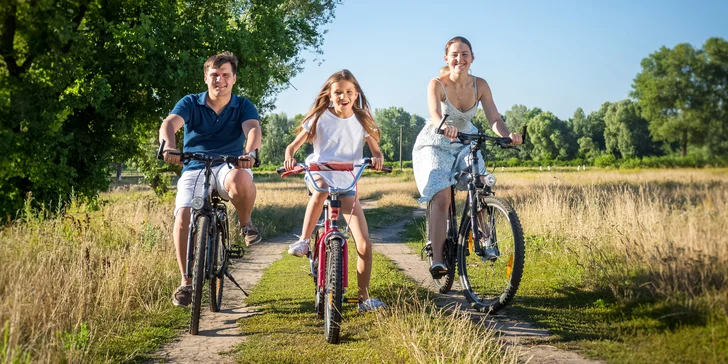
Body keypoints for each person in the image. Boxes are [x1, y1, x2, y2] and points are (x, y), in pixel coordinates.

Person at [412, 36, 523, 279]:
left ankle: (486, 240)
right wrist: (443, 126)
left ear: (472, 58)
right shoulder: (437, 84)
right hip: (437, 141)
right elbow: (433, 114)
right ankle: (439, 258)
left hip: (465, 140)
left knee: (481, 184)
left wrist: (507, 135)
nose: (459, 59)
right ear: (446, 58)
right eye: (454, 54)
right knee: (442, 196)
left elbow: (494, 118)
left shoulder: (480, 85)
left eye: (464, 54)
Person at [159, 51, 262, 307]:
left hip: (230, 164)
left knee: (241, 180)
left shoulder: (243, 105)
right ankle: (186, 281)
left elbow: (253, 129)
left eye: (225, 75)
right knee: (183, 215)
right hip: (195, 165)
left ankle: (246, 223)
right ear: (206, 78)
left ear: (233, 78)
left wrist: (249, 153)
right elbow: (169, 124)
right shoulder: (191, 102)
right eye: (214, 75)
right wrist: (169, 146)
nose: (220, 80)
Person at [283, 69, 386, 313]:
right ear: (329, 95)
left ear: (356, 94)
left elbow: (376, 150)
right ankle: (304, 240)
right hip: (320, 171)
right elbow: (293, 146)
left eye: (349, 92)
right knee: (321, 191)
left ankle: (363, 299)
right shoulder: (319, 117)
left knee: (364, 245)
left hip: (347, 179)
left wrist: (378, 158)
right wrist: (289, 157)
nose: (343, 96)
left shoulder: (362, 120)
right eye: (338, 92)